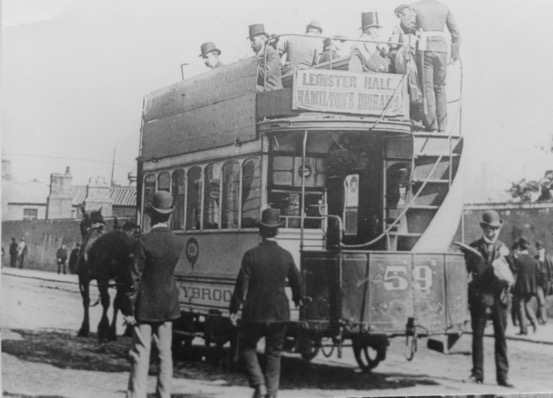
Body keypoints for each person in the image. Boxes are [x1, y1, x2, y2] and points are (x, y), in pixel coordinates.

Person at [229, 208, 302, 398]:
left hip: (255, 312)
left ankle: (259, 385)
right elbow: (297, 281)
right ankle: (271, 393)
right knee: (274, 353)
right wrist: (298, 298)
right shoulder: (285, 255)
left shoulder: (251, 255)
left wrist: (234, 308)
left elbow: (241, 284)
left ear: (261, 231)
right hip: (279, 312)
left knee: (246, 347)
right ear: (277, 231)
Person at [121, 191, 185, 398]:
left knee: (141, 353)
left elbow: (134, 278)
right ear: (170, 215)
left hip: (145, 307)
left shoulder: (143, 242)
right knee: (166, 355)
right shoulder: (177, 243)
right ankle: (164, 395)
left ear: (150, 214)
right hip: (168, 306)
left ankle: (136, 395)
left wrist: (128, 309)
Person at [464, 210, 513, 387]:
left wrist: (507, 280)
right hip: (480, 299)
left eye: (496, 229)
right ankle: (477, 374)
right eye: (489, 228)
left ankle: (503, 376)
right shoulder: (473, 248)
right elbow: (465, 273)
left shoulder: (504, 249)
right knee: (477, 337)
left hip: (500, 299)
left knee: (501, 338)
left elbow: (514, 273)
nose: (492, 233)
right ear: (483, 227)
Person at [395, 0, 460, 133]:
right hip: (442, 49)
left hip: (425, 49)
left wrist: (406, 24)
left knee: (427, 87)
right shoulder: (444, 7)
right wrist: (454, 53)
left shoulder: (415, 7)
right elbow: (456, 33)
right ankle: (443, 127)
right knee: (441, 87)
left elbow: (408, 27)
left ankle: (432, 125)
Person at [512, 237, 540, 335]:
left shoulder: (518, 258)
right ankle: (534, 322)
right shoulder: (533, 261)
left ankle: (523, 330)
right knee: (527, 305)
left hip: (521, 286)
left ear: (519, 246)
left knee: (520, 306)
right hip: (531, 287)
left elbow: (514, 271)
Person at [248, 23, 283, 92]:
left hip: (272, 91)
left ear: (262, 38)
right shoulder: (258, 54)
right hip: (263, 89)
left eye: (254, 40)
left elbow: (265, 74)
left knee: (247, 87)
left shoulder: (272, 53)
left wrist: (250, 66)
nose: (251, 45)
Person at [535, 240, 553, 324]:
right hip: (538, 282)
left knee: (542, 301)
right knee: (541, 301)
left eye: (541, 247)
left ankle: (538, 316)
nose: (539, 249)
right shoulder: (535, 258)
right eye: (538, 247)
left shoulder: (549, 258)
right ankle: (543, 318)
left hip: (547, 281)